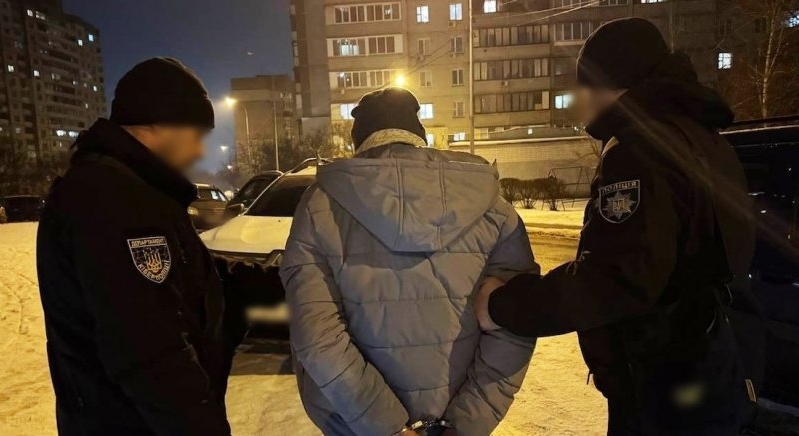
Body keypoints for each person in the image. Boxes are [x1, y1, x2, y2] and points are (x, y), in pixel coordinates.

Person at [474, 18, 762, 435]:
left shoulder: (639, 151)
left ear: (607, 82)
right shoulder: (704, 141)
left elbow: (613, 279)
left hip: (663, 390)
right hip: (710, 371)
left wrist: (503, 305)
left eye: (584, 85)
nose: (580, 99)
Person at [280, 87, 537, 436]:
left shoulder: (319, 206)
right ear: (419, 135)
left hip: (357, 425)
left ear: (360, 141)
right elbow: (514, 324)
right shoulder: (495, 208)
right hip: (455, 421)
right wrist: (466, 423)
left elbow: (318, 334)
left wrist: (387, 427)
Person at [37, 58, 231, 435]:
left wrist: (270, 278)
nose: (199, 151)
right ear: (160, 121)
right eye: (196, 134)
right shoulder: (113, 200)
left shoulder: (134, 190)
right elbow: (152, 350)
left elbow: (183, 277)